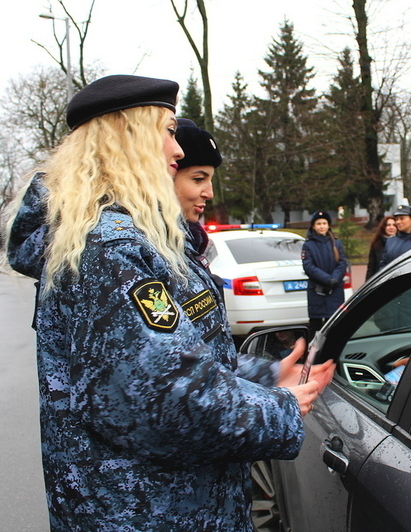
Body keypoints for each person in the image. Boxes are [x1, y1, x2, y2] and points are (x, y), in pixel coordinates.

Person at [4, 74, 333, 532]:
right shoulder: (112, 250)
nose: (177, 151)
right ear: (128, 138)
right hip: (148, 511)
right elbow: (171, 400)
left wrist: (263, 375)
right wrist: (280, 406)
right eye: (167, 131)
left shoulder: (127, 241)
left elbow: (163, 363)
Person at [173, 117, 222, 291]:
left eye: (210, 180)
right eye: (198, 179)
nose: (209, 194)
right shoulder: (142, 247)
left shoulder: (193, 242)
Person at [302, 210, 347, 335]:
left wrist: (334, 279)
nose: (322, 226)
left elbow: (342, 263)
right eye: (318, 224)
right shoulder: (308, 245)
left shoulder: (336, 243)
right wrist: (327, 279)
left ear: (328, 225)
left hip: (335, 291)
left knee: (334, 325)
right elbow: (308, 266)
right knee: (315, 326)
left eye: (324, 223)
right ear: (313, 226)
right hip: (317, 292)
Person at [379, 204, 411, 270]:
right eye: (397, 219)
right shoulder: (390, 241)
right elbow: (383, 264)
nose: (398, 222)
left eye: (402, 218)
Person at [366, 215, 397, 280]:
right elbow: (371, 267)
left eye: (394, 225)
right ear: (383, 227)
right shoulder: (376, 244)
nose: (391, 227)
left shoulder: (402, 243)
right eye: (388, 225)